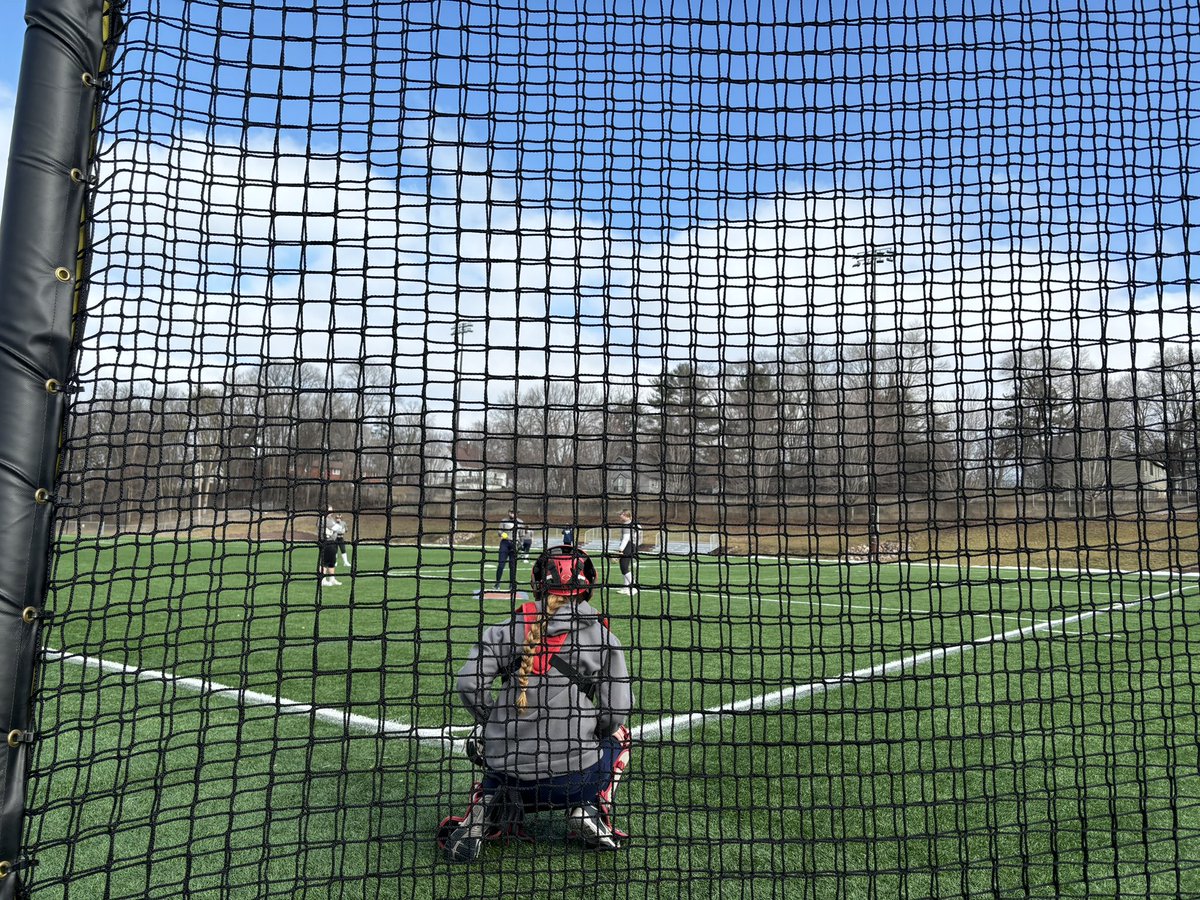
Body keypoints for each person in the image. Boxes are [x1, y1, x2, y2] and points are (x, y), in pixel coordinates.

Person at [440, 545, 634, 862]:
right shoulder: (603, 637)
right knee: (621, 735)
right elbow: (616, 710)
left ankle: (485, 805)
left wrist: (492, 721)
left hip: (509, 778)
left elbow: (468, 683)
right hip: (573, 782)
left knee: (483, 740)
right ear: (588, 586)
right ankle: (587, 807)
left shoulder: (505, 629)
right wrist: (592, 731)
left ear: (538, 583)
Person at [616, 510, 640, 597]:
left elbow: (626, 538)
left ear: (626, 515)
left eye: (621, 514)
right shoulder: (631, 523)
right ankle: (626, 587)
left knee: (624, 567)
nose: (619, 515)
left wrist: (621, 549)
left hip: (628, 546)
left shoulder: (627, 524)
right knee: (623, 567)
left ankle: (634, 587)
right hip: (630, 546)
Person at [318, 506, 343, 587]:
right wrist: (337, 528)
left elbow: (339, 529)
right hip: (326, 542)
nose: (331, 512)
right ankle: (323, 580)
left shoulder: (330, 519)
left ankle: (332, 579)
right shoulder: (324, 519)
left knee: (332, 561)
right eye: (329, 510)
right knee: (325, 562)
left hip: (332, 542)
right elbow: (337, 528)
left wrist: (337, 528)